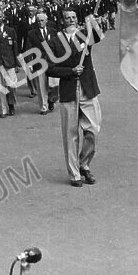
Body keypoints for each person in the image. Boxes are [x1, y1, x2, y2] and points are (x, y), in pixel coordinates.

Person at [46, 10, 104, 187]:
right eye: (67, 18)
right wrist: (70, 72)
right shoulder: (54, 42)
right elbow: (49, 68)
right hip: (69, 91)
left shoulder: (85, 36)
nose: (71, 20)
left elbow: (99, 35)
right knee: (71, 134)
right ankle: (74, 173)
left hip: (88, 89)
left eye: (73, 17)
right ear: (61, 21)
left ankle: (84, 163)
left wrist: (93, 21)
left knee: (92, 130)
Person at [26, 11, 58, 114]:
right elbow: (29, 48)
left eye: (42, 20)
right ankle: (43, 107)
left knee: (54, 85)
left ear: (46, 21)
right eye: (38, 21)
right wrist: (29, 63)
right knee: (41, 86)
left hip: (52, 62)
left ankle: (51, 100)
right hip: (39, 63)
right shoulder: (31, 33)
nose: (40, 23)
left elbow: (58, 46)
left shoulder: (53, 31)